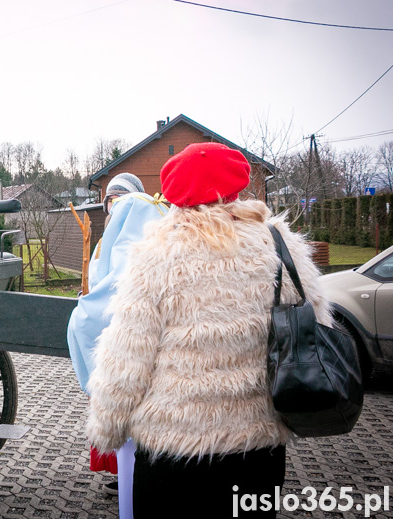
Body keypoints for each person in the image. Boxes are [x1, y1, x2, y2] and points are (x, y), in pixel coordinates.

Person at [86, 142, 330, 518]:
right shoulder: (280, 246)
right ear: (238, 185)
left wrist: (108, 427)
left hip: (172, 449)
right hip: (257, 444)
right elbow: (317, 325)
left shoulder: (156, 255)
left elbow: (127, 357)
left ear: (175, 193)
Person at [67, 172, 168, 509]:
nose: (113, 206)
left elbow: (106, 300)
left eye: (119, 199)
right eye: (110, 199)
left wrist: (83, 315)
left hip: (130, 359)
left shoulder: (135, 242)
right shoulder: (109, 237)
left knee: (129, 430)